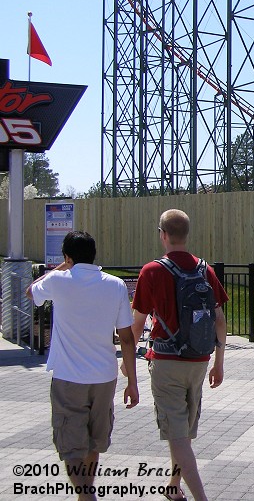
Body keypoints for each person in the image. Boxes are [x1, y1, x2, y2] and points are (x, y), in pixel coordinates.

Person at [27, 231, 138, 501]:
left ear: (68, 256)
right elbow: (126, 337)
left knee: (71, 445)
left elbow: (31, 292)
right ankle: (85, 494)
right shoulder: (115, 285)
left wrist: (62, 267)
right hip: (104, 376)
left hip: (68, 377)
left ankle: (87, 496)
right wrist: (132, 382)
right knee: (93, 440)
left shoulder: (58, 280)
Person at [129, 209, 228, 501]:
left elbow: (137, 322)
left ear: (163, 234)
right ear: (186, 234)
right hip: (199, 360)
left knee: (178, 436)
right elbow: (219, 320)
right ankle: (173, 486)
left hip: (166, 362)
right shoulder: (204, 269)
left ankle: (201, 498)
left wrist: (126, 362)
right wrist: (219, 363)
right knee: (182, 432)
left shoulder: (152, 271)